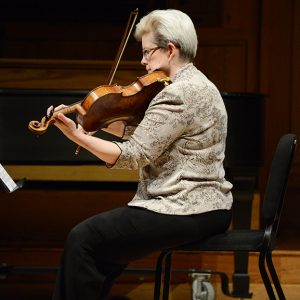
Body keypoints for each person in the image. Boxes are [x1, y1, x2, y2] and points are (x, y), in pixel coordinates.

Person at [51, 9, 233, 300]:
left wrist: (78, 136)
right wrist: (93, 121)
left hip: (184, 208)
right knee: (101, 254)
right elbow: (146, 134)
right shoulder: (197, 84)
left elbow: (133, 155)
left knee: (83, 239)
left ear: (170, 50)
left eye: (148, 52)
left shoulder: (179, 93)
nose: (143, 61)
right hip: (208, 208)